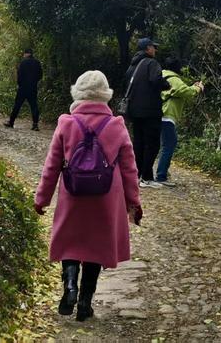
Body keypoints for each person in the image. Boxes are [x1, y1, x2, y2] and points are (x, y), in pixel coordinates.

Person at [34, 70, 142, 322]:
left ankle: (69, 287)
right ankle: (85, 302)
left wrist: (42, 199)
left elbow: (52, 165)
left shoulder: (67, 124)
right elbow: (129, 168)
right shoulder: (116, 126)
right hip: (106, 198)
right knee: (95, 247)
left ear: (78, 93)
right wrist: (133, 202)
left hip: (73, 194)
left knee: (71, 241)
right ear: (105, 96)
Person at [123, 38, 170, 189]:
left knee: (139, 142)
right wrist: (166, 84)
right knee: (152, 143)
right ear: (148, 48)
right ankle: (147, 177)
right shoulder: (152, 63)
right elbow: (156, 79)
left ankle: (136, 175)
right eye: (154, 47)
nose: (155, 50)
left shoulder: (132, 66)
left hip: (134, 111)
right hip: (150, 110)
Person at [156, 58, 204, 187]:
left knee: (160, 145)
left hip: (157, 113)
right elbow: (185, 91)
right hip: (167, 115)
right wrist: (197, 88)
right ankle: (161, 175)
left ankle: (155, 172)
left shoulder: (160, 75)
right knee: (169, 144)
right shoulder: (174, 78)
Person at [4, 48, 43, 130]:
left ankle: (11, 122)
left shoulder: (23, 63)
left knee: (17, 105)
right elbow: (40, 75)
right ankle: (35, 125)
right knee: (34, 106)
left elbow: (19, 75)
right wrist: (34, 82)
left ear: (26, 54)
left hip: (23, 88)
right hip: (33, 88)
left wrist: (20, 84)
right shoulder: (37, 62)